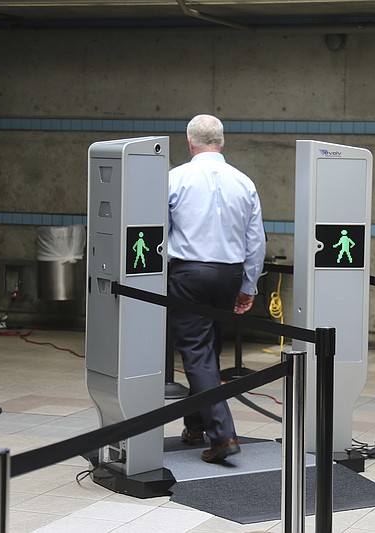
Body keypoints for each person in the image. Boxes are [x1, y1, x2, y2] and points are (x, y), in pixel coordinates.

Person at [167, 114, 266, 463]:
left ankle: (222, 436)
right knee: (208, 349)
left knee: (196, 351)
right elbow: (256, 241)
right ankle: (195, 425)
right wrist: (248, 285)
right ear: (222, 142)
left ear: (189, 142)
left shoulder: (174, 179)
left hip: (189, 274)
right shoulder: (244, 182)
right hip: (229, 274)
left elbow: (158, 235)